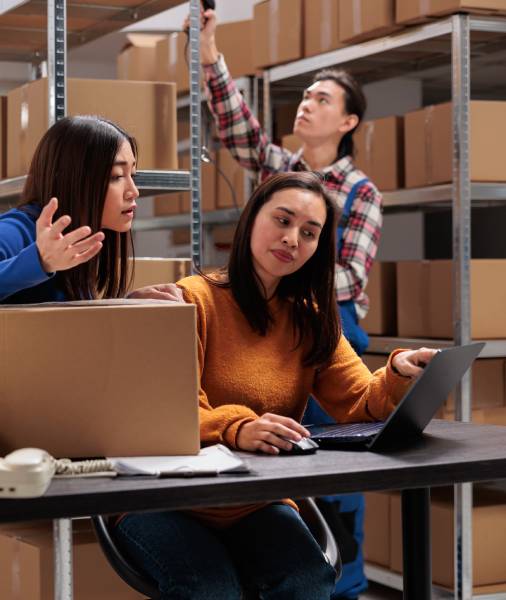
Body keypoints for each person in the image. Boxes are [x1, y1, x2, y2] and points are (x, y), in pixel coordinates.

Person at [114, 172, 438, 600]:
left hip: (254, 499)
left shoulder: (310, 316)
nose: (292, 239)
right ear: (252, 219)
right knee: (212, 588)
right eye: (282, 221)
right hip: (165, 499)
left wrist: (400, 370)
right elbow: (170, 413)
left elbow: (360, 401)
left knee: (309, 579)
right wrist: (239, 428)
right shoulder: (191, 300)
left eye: (309, 232)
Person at [191, 8, 383, 597]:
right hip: (265, 315)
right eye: (304, 94)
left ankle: (338, 587)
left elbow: (349, 272)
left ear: (347, 120)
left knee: (338, 479)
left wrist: (292, 284)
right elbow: (239, 129)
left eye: (321, 98)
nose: (306, 103)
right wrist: (209, 57)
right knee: (273, 463)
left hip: (330, 328)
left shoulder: (360, 192)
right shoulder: (281, 169)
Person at [0, 115, 139, 304]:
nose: (134, 191)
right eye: (116, 176)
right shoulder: (13, 232)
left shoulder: (82, 240)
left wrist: (134, 303)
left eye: (132, 174)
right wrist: (38, 261)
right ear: (70, 179)